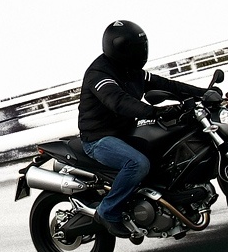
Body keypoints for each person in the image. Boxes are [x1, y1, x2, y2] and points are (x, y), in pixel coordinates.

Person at [77, 20, 200, 236]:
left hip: (125, 131)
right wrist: (154, 112)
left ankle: (168, 205)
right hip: (99, 139)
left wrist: (202, 94)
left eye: (141, 47)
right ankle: (107, 211)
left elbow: (167, 85)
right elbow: (118, 101)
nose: (141, 52)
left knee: (167, 147)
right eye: (135, 48)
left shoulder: (132, 70)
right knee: (137, 164)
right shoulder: (100, 74)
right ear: (120, 49)